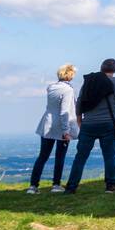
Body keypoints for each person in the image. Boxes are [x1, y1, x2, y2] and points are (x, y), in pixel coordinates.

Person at [63, 58, 115, 195]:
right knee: (109, 156)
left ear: (101, 68)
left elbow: (80, 103)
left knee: (80, 157)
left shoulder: (90, 81)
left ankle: (71, 188)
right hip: (108, 125)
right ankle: (110, 186)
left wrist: (79, 121)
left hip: (88, 124)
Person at [27, 64, 79, 194]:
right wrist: (66, 131)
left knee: (42, 156)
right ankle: (56, 185)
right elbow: (64, 111)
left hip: (47, 124)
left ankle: (33, 186)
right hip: (60, 127)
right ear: (70, 75)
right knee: (59, 157)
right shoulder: (68, 90)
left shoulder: (51, 87)